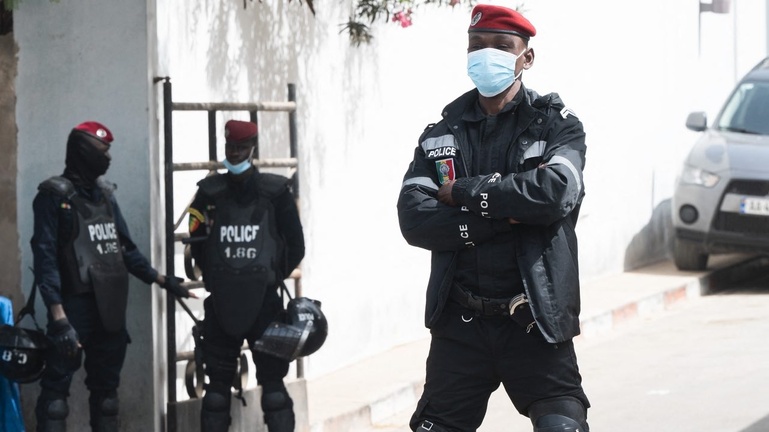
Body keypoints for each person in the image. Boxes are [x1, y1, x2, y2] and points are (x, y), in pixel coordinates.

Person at [396, 4, 591, 432]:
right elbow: (414, 219)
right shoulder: (439, 134)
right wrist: (505, 217)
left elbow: (556, 193)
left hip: (534, 321)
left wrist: (466, 192)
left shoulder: (556, 127)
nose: (487, 56)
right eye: (476, 47)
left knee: (562, 426)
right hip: (461, 326)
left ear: (527, 57)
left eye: (502, 46)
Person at [30, 121, 195, 432]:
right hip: (73, 308)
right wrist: (59, 317)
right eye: (102, 151)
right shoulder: (53, 197)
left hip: (110, 309)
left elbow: (125, 249)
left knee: (107, 397)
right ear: (82, 153)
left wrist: (162, 280)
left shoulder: (105, 195)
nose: (108, 158)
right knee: (55, 398)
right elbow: (46, 259)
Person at [187, 119, 305, 432]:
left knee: (273, 387)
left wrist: (271, 277)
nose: (235, 153)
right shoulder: (208, 194)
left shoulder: (276, 191)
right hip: (225, 300)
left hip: (263, 302)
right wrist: (216, 276)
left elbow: (296, 245)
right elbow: (195, 240)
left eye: (241, 147)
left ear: (252, 148)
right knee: (216, 391)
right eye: (231, 147)